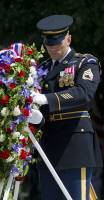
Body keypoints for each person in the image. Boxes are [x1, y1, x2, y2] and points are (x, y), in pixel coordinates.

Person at [31, 15, 103, 200]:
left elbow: (84, 93)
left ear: (68, 39)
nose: (53, 48)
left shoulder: (85, 62)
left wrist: (46, 99)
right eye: (49, 44)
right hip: (47, 144)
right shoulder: (42, 68)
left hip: (74, 144)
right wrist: (36, 116)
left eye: (58, 43)